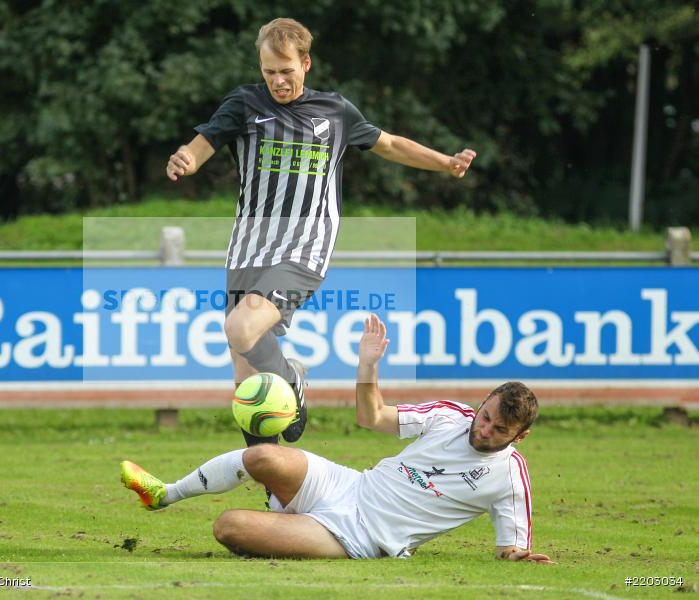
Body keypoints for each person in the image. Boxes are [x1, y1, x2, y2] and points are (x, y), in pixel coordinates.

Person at [165, 18, 477, 446]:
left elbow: (389, 144)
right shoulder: (244, 105)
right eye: (269, 71)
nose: (277, 80)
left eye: (286, 70)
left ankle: (291, 378)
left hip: (304, 249)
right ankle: (276, 489)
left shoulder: (335, 112)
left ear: (306, 63)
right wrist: (185, 157)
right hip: (247, 251)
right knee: (247, 389)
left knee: (240, 329)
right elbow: (204, 143)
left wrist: (445, 162)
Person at [121, 314, 552, 562]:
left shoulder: (510, 476)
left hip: (362, 538)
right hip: (350, 484)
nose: (484, 429)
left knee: (228, 526)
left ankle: (282, 515)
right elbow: (372, 417)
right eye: (486, 416)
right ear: (484, 402)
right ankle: (163, 494)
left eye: (498, 430)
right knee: (263, 458)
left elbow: (510, 546)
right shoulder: (448, 416)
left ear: (522, 436)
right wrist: (368, 367)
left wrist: (517, 555)